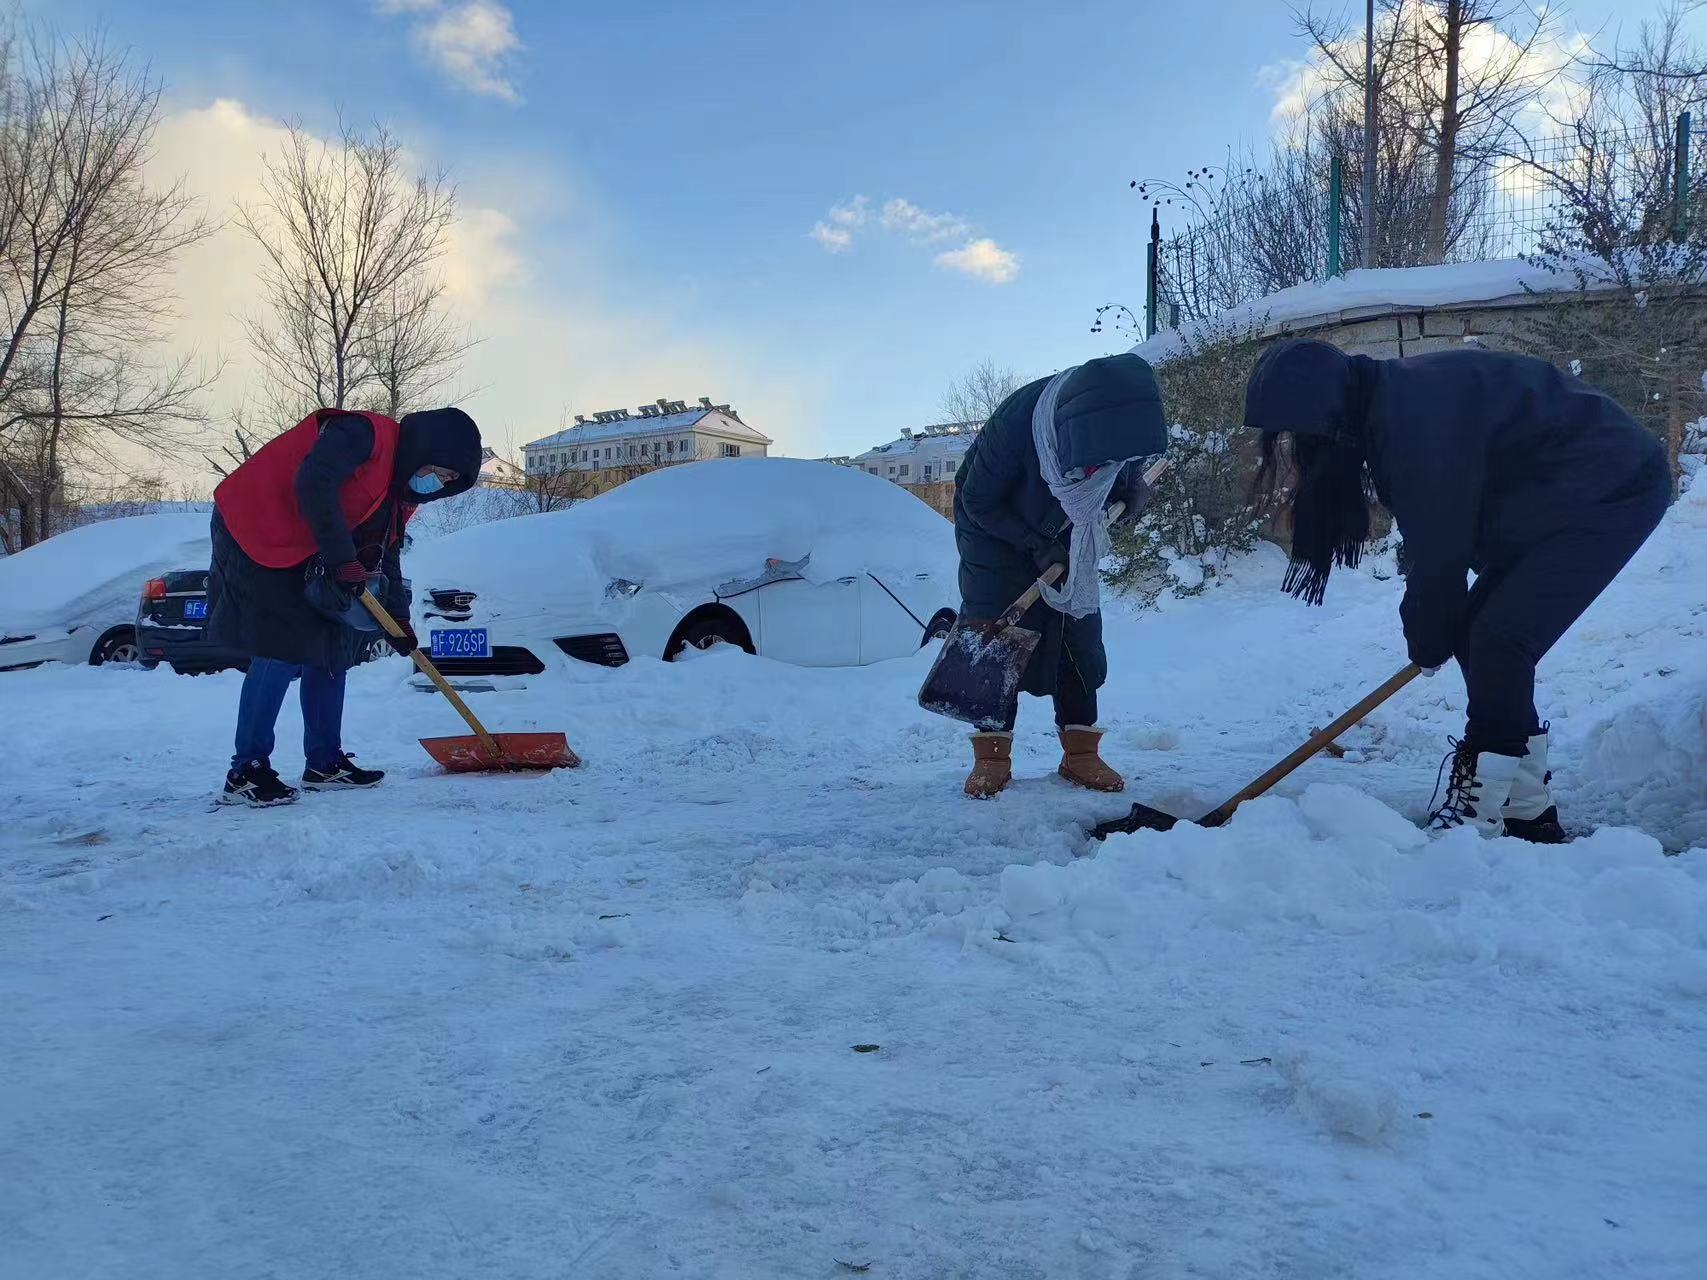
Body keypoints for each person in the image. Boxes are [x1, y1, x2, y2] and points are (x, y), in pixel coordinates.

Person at [1244, 338, 1670, 839]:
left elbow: (1439, 551)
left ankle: (1479, 813)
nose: (1300, 444)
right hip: (1556, 495)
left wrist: (1428, 637)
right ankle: (1527, 807)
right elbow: (1440, 543)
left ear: (1327, 412)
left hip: (1610, 490)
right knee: (1482, 636)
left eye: (1302, 430)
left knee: (1499, 638)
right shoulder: (1390, 402)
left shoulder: (1411, 422)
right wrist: (1438, 631)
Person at [207, 406, 482, 807]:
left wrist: (398, 621)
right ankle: (246, 770)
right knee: (279, 646)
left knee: (333, 646)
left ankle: (324, 762)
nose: (437, 484)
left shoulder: (400, 492)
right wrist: (341, 559)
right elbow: (314, 482)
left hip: (309, 541)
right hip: (256, 528)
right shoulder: (363, 434)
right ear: (427, 448)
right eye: (440, 472)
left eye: (447, 482)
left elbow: (386, 551)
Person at [953, 354, 1168, 798]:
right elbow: (978, 500)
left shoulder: (1116, 422)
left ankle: (1081, 752)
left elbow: (1119, 475)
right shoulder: (1017, 425)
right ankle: (991, 756)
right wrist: (1035, 543)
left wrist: (1131, 493)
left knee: (1078, 631)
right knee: (999, 635)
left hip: (1072, 530)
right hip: (994, 534)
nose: (1097, 472)